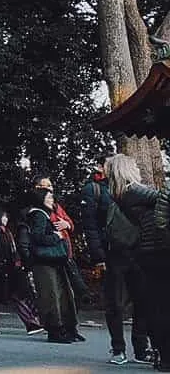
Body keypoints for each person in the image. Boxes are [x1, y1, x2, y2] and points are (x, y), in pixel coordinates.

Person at [82, 155, 152, 365]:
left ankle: (139, 348)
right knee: (116, 303)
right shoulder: (97, 190)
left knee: (142, 300)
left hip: (135, 251)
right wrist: (98, 256)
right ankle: (119, 348)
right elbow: (91, 226)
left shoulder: (135, 191)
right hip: (115, 253)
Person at [109, 153, 170, 371]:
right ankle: (163, 354)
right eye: (134, 165)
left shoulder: (119, 194)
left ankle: (160, 354)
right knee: (160, 306)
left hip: (144, 251)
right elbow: (163, 196)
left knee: (153, 305)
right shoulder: (134, 191)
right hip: (157, 248)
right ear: (127, 169)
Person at [18, 187, 80, 344]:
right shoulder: (39, 215)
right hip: (45, 261)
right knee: (52, 295)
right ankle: (56, 330)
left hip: (46, 261)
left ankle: (60, 329)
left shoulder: (38, 214)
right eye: (49, 197)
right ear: (41, 199)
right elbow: (38, 237)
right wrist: (56, 236)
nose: (52, 200)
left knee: (55, 294)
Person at [0, 207, 42, 336]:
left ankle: (31, 323)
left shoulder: (6, 232)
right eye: (4, 216)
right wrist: (0, 263)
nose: (6, 219)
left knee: (15, 296)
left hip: (8, 271)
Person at [35, 175, 87, 299]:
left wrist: (67, 224)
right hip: (53, 252)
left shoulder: (56, 206)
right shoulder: (39, 211)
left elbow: (71, 224)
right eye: (46, 185)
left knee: (74, 285)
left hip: (65, 250)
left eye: (50, 185)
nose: (50, 188)